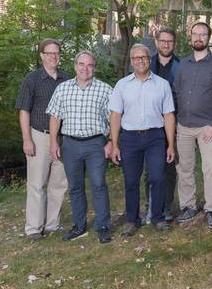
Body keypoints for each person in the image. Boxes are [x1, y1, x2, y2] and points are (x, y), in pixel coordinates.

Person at [46, 51, 114, 244]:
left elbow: (115, 119)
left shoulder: (105, 89)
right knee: (75, 187)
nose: (86, 69)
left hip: (95, 144)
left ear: (95, 68)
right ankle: (79, 226)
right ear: (75, 66)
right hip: (70, 144)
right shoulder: (62, 89)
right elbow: (55, 117)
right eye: (82, 64)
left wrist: (111, 141)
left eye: (90, 65)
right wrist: (53, 142)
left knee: (98, 185)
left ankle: (103, 227)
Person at [109, 44, 176, 237]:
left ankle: (157, 217)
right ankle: (132, 220)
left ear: (149, 59)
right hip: (130, 138)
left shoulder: (162, 84)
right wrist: (114, 144)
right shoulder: (122, 85)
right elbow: (115, 116)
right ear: (131, 62)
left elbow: (169, 115)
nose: (141, 60)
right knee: (131, 181)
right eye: (136, 58)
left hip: (156, 137)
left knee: (158, 177)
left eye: (144, 57)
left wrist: (170, 144)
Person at [173, 22, 212, 228]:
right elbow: (177, 92)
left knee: (210, 168)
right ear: (190, 37)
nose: (198, 37)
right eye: (195, 34)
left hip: (207, 127)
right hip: (184, 126)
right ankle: (188, 206)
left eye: (203, 34)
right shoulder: (182, 65)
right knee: (185, 168)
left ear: (209, 37)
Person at [15, 38, 70, 241]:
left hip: (63, 138)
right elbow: (23, 110)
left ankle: (52, 225)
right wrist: (27, 139)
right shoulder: (32, 79)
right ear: (42, 56)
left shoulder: (66, 79)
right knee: (37, 184)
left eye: (56, 53)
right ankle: (33, 228)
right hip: (39, 135)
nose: (53, 57)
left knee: (58, 183)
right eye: (49, 53)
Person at [147, 26, 181, 222]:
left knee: (169, 167)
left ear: (174, 44)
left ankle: (167, 207)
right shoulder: (146, 63)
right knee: (149, 169)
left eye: (170, 41)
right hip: (149, 124)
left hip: (172, 123)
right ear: (156, 42)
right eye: (163, 41)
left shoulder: (181, 65)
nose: (166, 44)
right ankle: (150, 206)